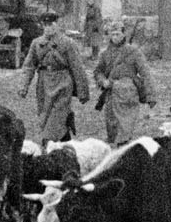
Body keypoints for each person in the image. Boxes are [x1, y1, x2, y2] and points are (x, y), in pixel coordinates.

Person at [18, 11, 90, 142]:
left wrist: (83, 91)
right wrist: (23, 86)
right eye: (45, 25)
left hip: (63, 83)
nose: (48, 28)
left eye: (51, 24)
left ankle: (48, 144)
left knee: (57, 116)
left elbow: (77, 68)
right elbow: (29, 66)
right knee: (45, 117)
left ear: (57, 25)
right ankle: (64, 141)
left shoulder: (67, 43)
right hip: (43, 84)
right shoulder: (36, 43)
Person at [94, 19, 155, 145]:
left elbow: (145, 73)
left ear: (123, 34)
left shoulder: (133, 52)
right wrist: (103, 81)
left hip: (128, 94)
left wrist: (151, 95)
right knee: (112, 128)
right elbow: (98, 71)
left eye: (117, 34)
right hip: (111, 95)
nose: (115, 37)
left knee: (125, 128)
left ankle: (124, 149)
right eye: (112, 34)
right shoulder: (106, 53)